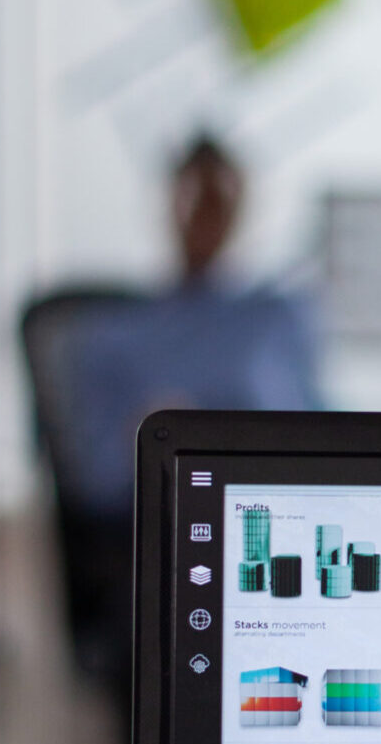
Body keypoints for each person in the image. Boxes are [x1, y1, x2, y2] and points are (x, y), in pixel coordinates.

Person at [64, 135, 320, 516]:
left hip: (276, 513)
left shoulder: (276, 320)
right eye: (193, 201)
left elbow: (319, 435)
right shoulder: (113, 335)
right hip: (166, 524)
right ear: (169, 206)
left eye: (217, 202)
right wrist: (144, 440)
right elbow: (93, 483)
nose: (204, 217)